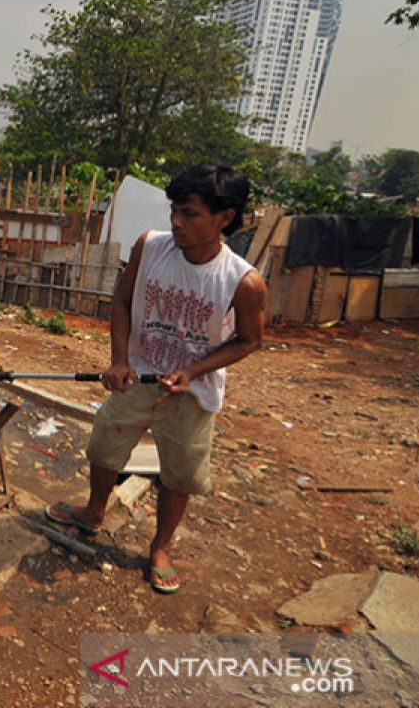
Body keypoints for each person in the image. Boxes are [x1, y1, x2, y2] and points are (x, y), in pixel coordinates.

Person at [46, 163, 267, 595]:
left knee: (179, 474)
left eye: (189, 214)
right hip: (136, 377)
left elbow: (248, 341)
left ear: (224, 218)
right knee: (105, 444)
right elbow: (123, 300)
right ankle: (93, 512)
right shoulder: (151, 247)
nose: (175, 222)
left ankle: (160, 548)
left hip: (191, 393)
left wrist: (193, 370)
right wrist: (118, 359)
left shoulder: (243, 281)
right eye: (174, 211)